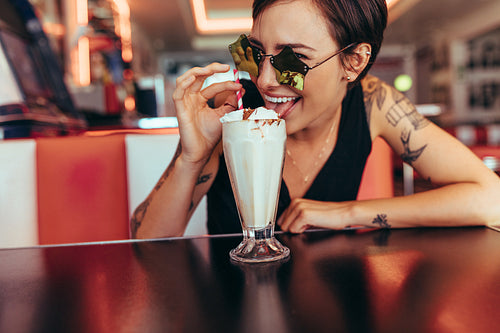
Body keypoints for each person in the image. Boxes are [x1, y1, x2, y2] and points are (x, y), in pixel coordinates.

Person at [131, 0, 500, 239]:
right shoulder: (233, 108)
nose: (264, 80)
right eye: (256, 53)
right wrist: (190, 158)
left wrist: (348, 213)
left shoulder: (374, 102)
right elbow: (145, 242)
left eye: (292, 60)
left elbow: (491, 198)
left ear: (353, 61)